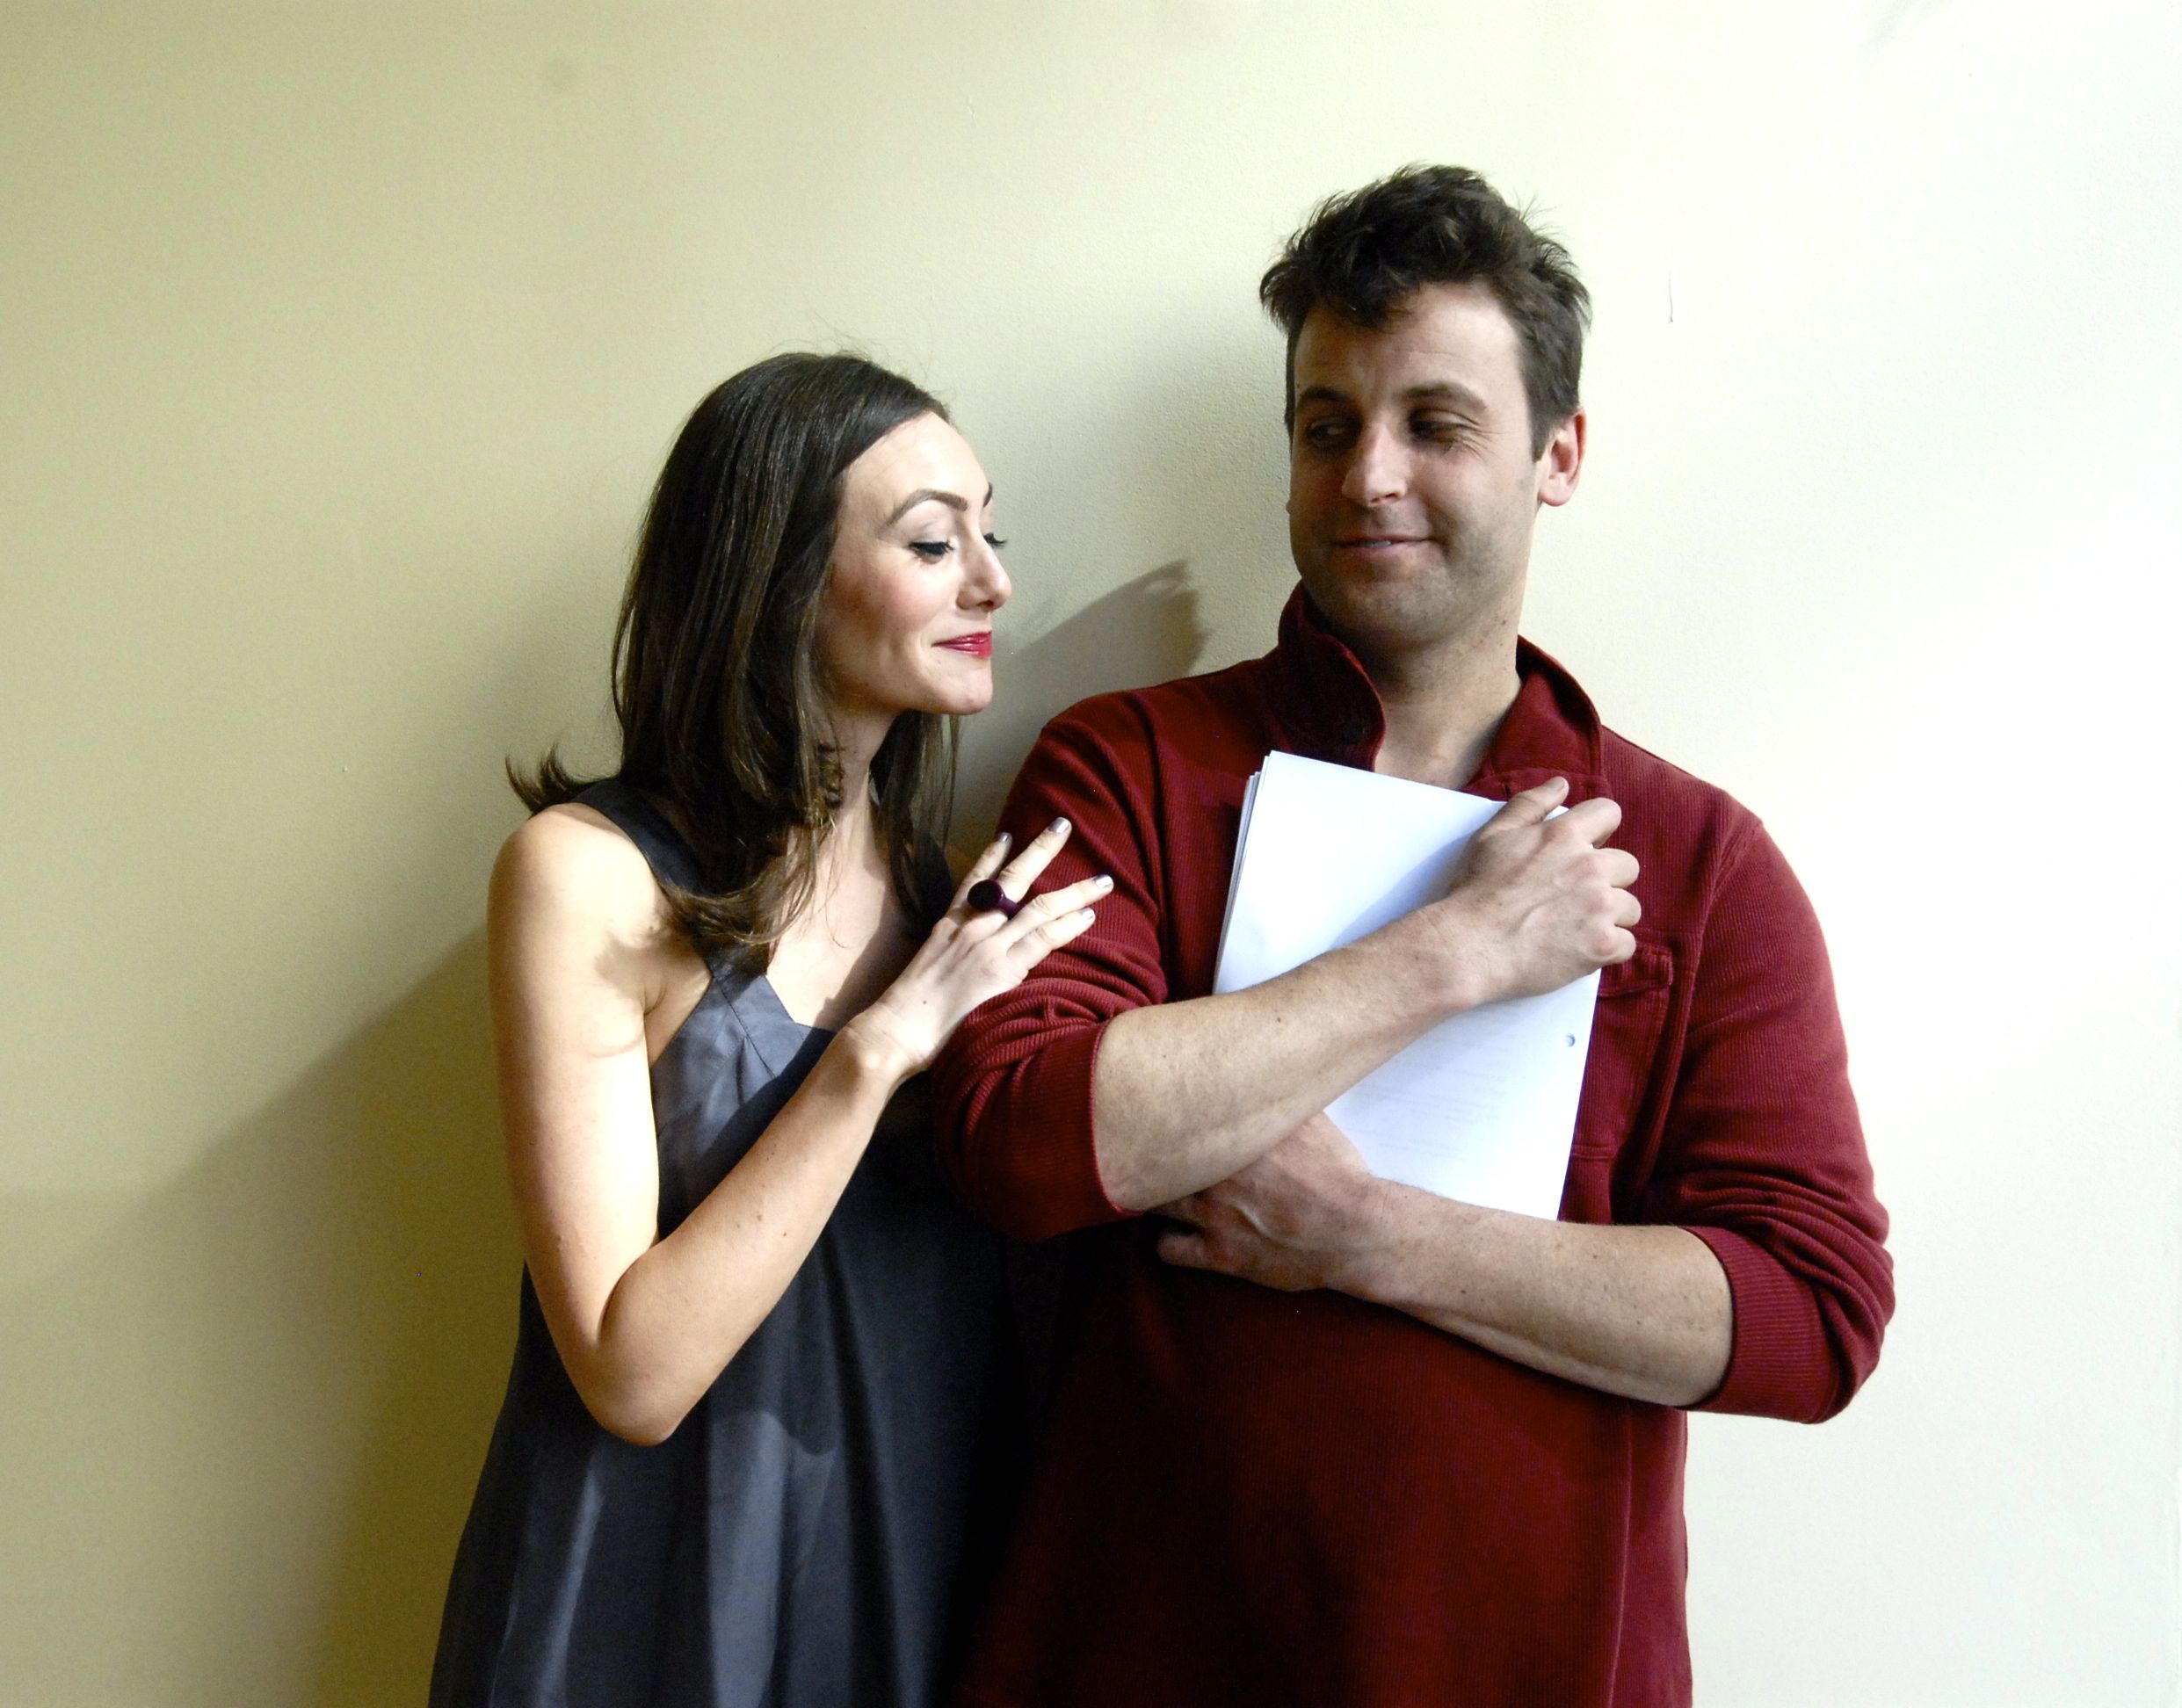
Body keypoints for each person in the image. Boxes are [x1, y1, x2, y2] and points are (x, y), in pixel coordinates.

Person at [932, 166, 1894, 1706]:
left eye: (1436, 425)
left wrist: (1373, 1241)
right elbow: (1016, 1137)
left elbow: (1811, 1317)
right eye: (1327, 427)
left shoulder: (1702, 862)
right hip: (1140, 1653)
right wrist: (1453, 953)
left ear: (1558, 455)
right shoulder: (1126, 765)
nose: (1368, 475)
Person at [429, 352, 1108, 1708]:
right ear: (783, 580)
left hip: (905, 1577)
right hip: (651, 1603)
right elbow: (630, 1377)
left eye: (992, 535)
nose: (993, 583)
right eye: (934, 542)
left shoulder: (951, 906)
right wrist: (875, 1054)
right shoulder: (588, 878)